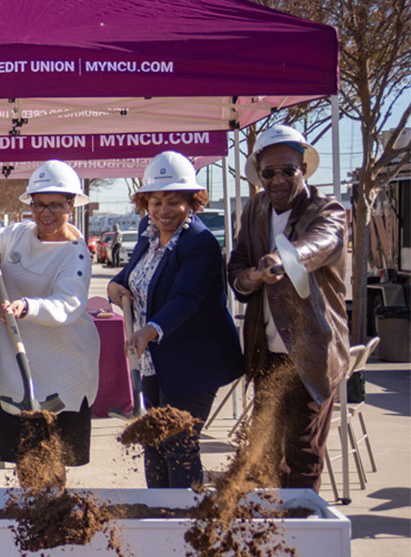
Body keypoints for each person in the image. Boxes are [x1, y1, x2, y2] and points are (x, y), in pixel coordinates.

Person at [107, 151, 244, 488]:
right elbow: (133, 274)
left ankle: (187, 521)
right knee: (154, 442)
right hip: (155, 362)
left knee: (177, 444)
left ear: (191, 202)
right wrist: (116, 285)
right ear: (145, 203)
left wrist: (150, 330)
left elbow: (186, 298)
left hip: (194, 363)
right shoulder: (147, 231)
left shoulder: (200, 244)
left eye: (173, 201)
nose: (163, 210)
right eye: (156, 201)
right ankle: (159, 517)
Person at [228, 125, 348, 492]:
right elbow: (237, 265)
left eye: (288, 170)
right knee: (263, 454)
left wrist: (285, 258)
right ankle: (270, 534)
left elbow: (325, 242)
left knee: (302, 454)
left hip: (310, 354)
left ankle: (302, 535)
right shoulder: (256, 208)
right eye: (269, 172)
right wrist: (249, 278)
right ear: (259, 173)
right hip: (267, 357)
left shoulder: (327, 209)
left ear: (304, 170)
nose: (278, 179)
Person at [0, 160, 99, 468]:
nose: (45, 214)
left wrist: (26, 307)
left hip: (63, 367)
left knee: (53, 462)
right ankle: (27, 513)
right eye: (39, 205)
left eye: (56, 205)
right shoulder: (19, 234)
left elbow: (68, 305)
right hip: (17, 367)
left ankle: (52, 513)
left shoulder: (77, 254)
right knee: (23, 461)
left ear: (72, 204)